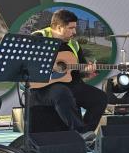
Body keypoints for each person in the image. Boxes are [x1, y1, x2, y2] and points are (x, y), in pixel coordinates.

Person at [30, 8, 109, 138]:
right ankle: (80, 132)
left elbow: (79, 68)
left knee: (100, 98)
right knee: (61, 91)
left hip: (71, 84)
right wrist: (49, 65)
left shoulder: (74, 44)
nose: (74, 32)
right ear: (59, 27)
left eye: (75, 28)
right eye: (71, 28)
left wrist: (86, 71)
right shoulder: (38, 37)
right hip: (43, 87)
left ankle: (87, 134)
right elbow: (26, 63)